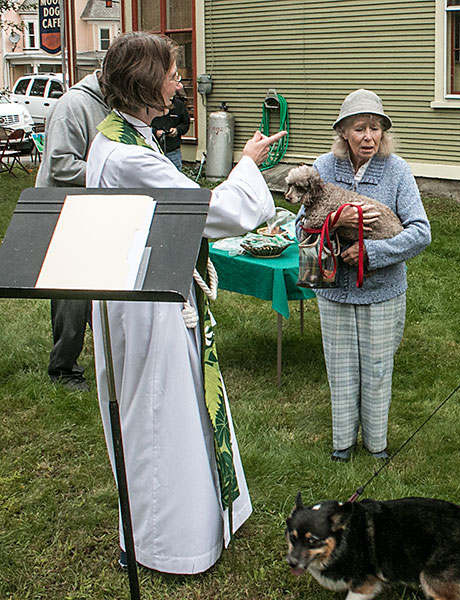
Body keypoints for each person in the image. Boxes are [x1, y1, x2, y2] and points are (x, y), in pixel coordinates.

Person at [86, 31, 286, 574]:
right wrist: (247, 164)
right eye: (173, 74)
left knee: (175, 405)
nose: (180, 83)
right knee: (158, 413)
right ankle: (165, 542)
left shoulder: (127, 135)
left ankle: (196, 521)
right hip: (144, 299)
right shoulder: (127, 155)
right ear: (148, 81)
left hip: (150, 286)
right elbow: (213, 211)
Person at [306, 89, 430, 462]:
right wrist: (335, 221)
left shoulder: (397, 170)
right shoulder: (322, 168)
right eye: (360, 128)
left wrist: (370, 253)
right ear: (344, 132)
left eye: (375, 128)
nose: (369, 137)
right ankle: (342, 444)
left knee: (377, 371)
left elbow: (421, 231)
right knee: (341, 370)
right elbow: (301, 230)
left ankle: (376, 446)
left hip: (382, 290)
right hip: (333, 291)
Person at [36, 70, 109, 390]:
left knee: (104, 290)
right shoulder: (74, 105)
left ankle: (110, 361)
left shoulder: (109, 105)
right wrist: (112, 171)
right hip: (63, 213)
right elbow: (60, 165)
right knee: (72, 296)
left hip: (92, 212)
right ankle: (63, 370)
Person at [151, 81, 191, 170]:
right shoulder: (152, 105)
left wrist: (177, 130)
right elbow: (143, 126)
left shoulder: (178, 105)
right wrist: (155, 132)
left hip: (173, 151)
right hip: (155, 151)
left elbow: (185, 123)